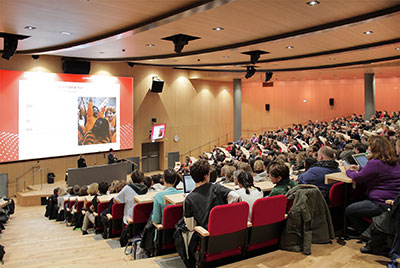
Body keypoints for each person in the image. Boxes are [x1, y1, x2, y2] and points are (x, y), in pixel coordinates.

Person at [183, 160, 241, 266]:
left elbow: (191, 226)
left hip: (208, 239)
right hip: (228, 235)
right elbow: (235, 196)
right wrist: (226, 211)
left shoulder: (189, 198)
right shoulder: (217, 188)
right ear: (206, 176)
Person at [345, 136, 400, 235]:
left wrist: (348, 170)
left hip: (380, 203)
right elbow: (375, 172)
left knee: (350, 210)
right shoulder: (394, 162)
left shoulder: (375, 163)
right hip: (393, 201)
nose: (368, 148)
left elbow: (358, 178)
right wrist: (360, 168)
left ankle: (368, 233)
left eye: (370, 145)